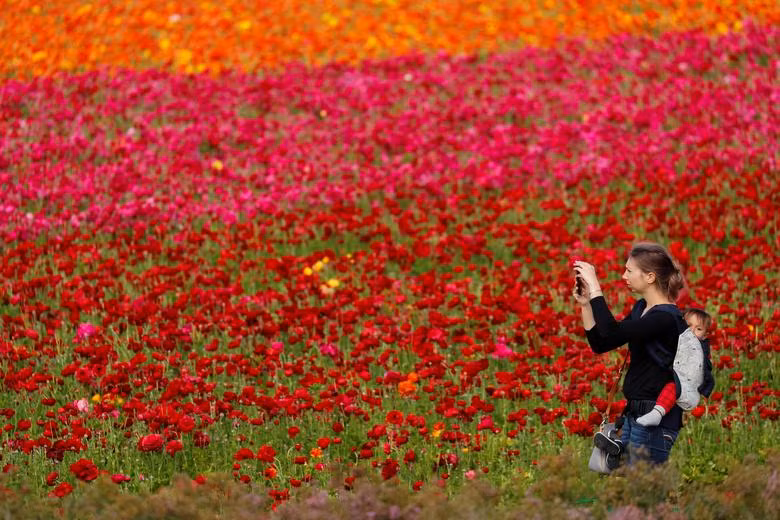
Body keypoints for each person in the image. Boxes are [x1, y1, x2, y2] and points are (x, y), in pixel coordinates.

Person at [573, 242, 687, 465]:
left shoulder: (665, 318)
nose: (624, 275)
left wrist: (596, 287)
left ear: (650, 277)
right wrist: (586, 305)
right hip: (634, 416)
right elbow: (603, 342)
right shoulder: (641, 309)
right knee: (634, 490)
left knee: (646, 490)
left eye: (629, 270)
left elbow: (612, 331)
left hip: (655, 420)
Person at [636, 308, 712, 427]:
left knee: (673, 387)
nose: (691, 331)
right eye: (688, 325)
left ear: (705, 335)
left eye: (698, 329)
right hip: (666, 378)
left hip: (685, 384)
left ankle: (657, 413)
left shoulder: (700, 349)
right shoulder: (676, 338)